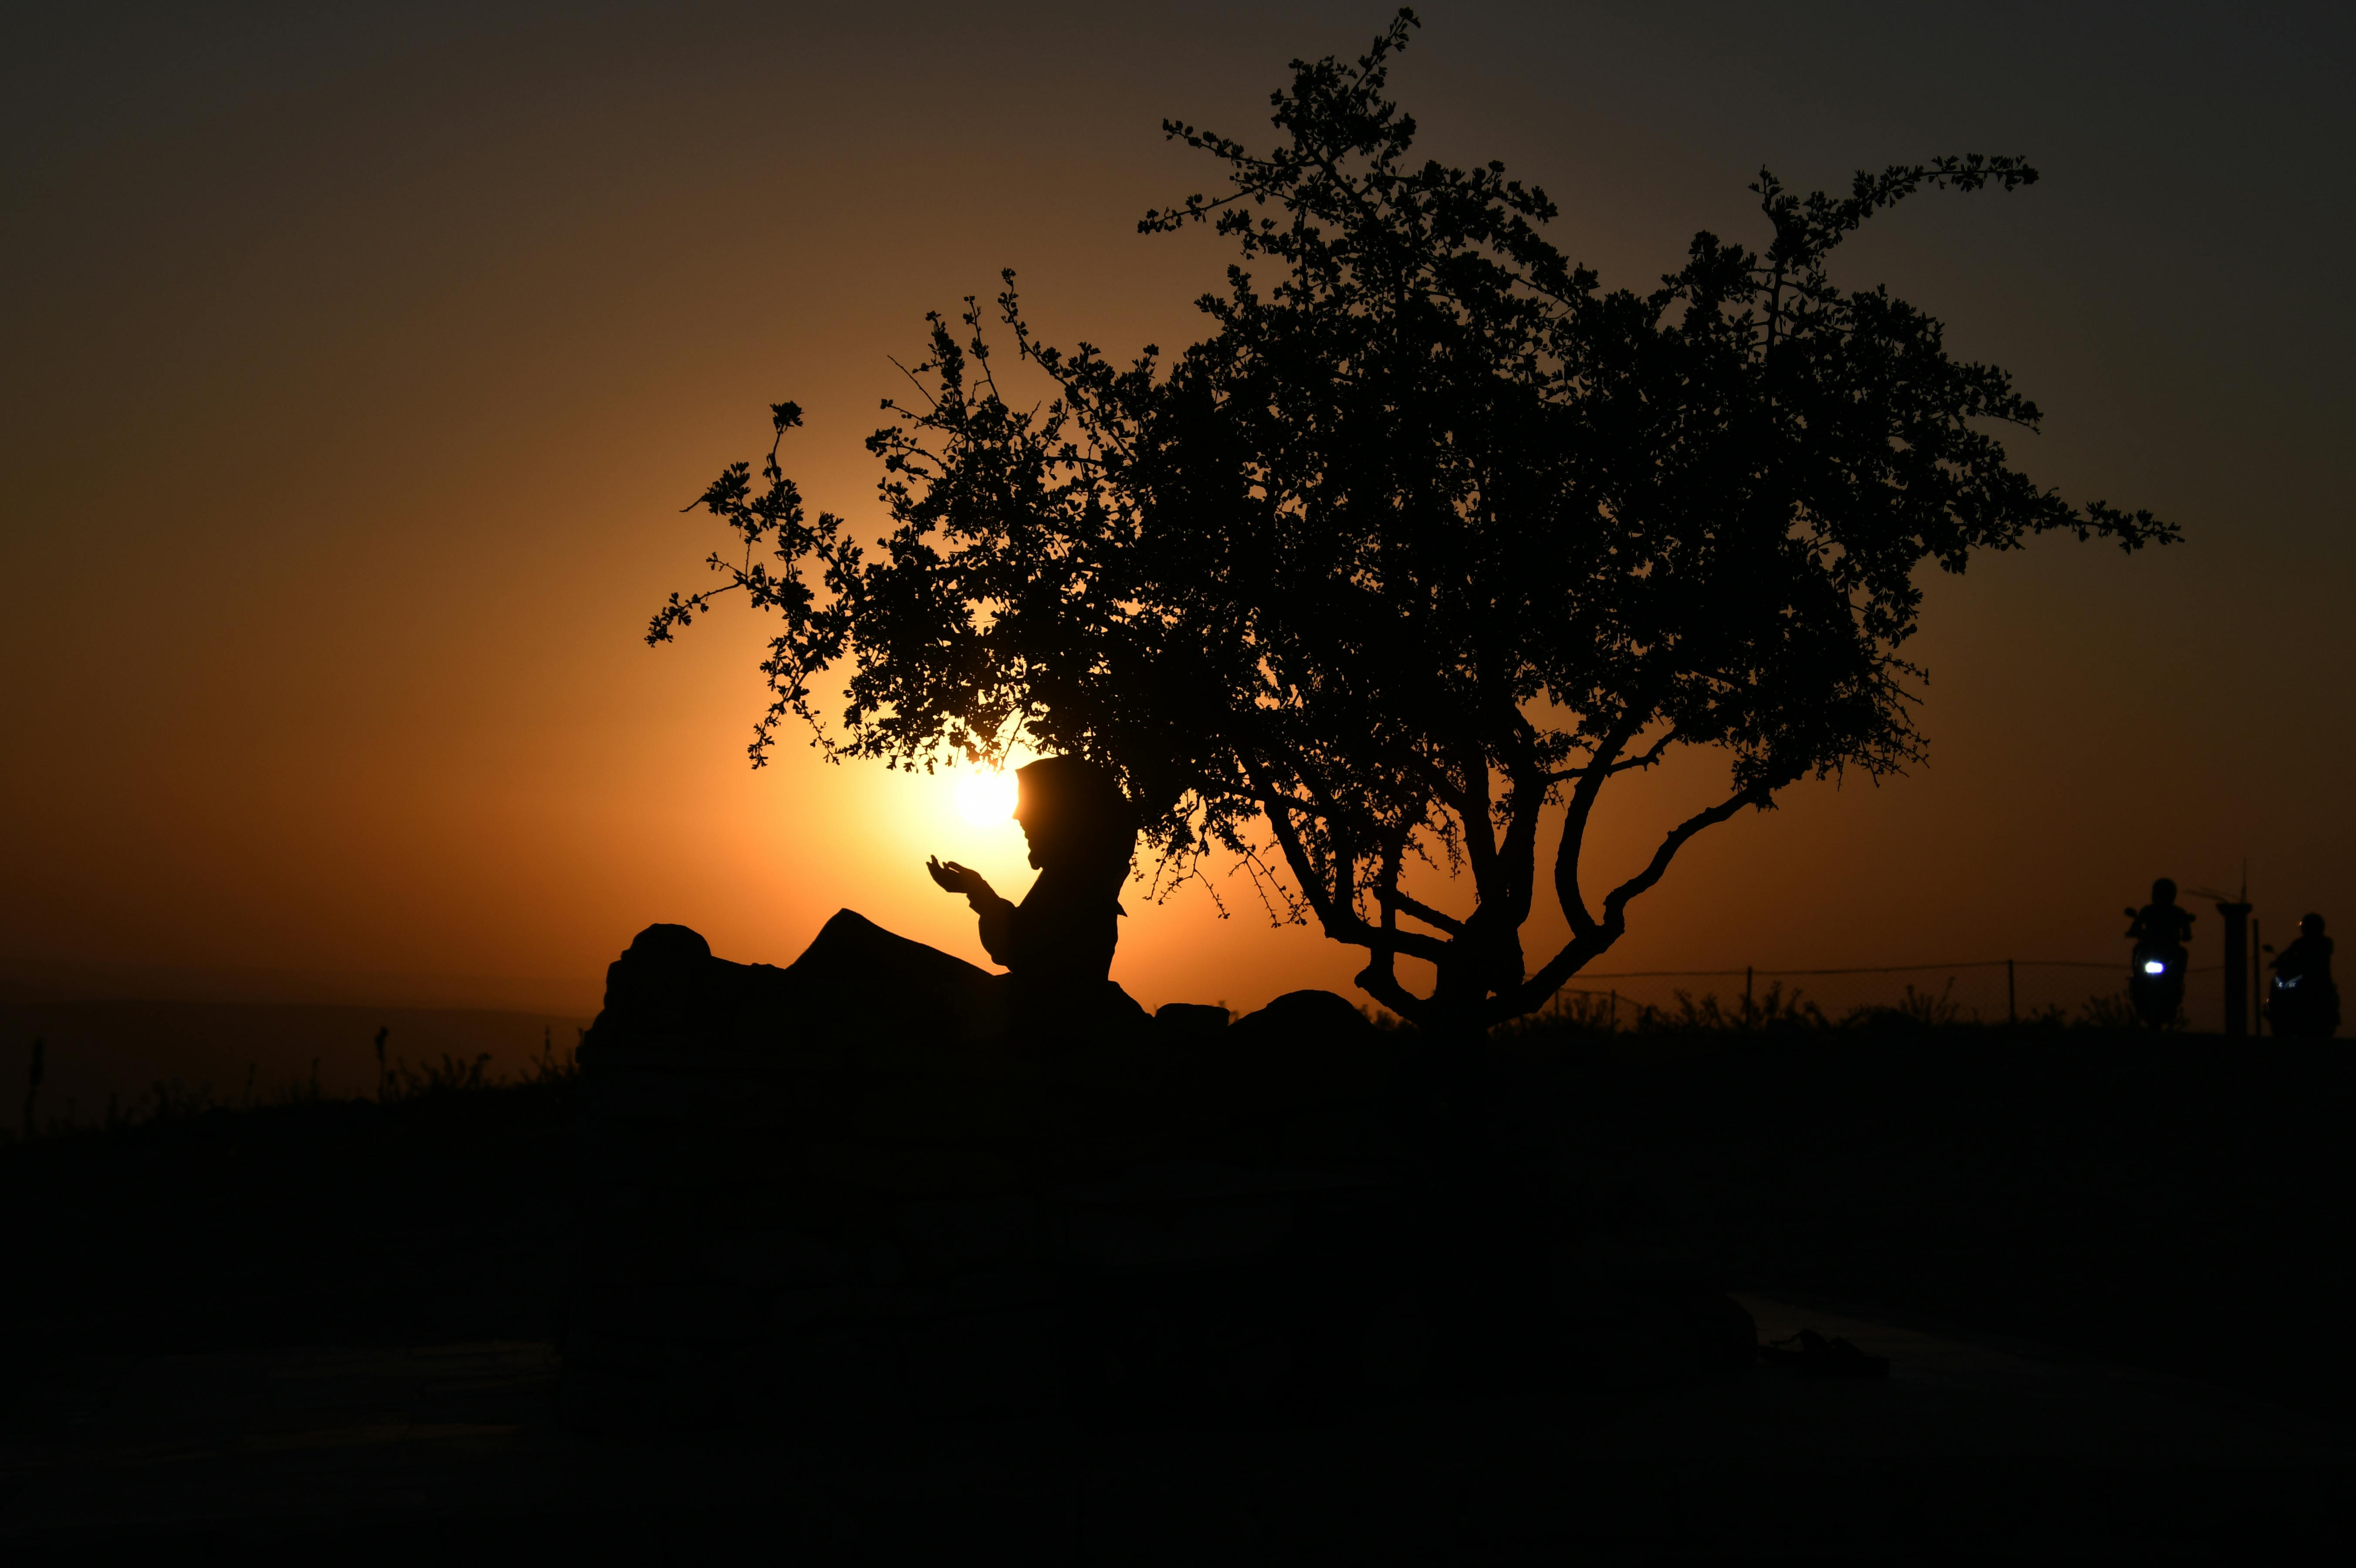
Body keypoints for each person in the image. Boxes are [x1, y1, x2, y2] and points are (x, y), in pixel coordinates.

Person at [593, 755, 1141, 1050]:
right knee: (850, 943)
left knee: (850, 935)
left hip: (1002, 1019)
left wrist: (979, 894)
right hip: (1006, 1011)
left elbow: (1023, 955)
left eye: (1028, 809)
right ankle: (777, 997)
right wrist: (979, 895)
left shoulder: (1079, 883)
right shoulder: (1079, 878)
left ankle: (772, 1004)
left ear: (1063, 815)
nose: (1018, 819)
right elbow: (1025, 950)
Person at [2268, 912, 2339, 1038]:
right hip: (2301, 977)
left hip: (2317, 980)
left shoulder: (2325, 943)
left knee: (2327, 994)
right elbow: (2287, 954)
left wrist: (2288, 961)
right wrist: (2278, 962)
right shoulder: (2302, 942)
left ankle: (2324, 1016)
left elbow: (2313, 959)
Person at [2126, 877, 2195, 953]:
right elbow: (2137, 924)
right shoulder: (2148, 911)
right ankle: (2136, 966)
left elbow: (2186, 929)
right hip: (2149, 946)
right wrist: (2133, 932)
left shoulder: (2179, 913)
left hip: (2171, 948)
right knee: (2137, 949)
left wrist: (2187, 936)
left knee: (2183, 953)